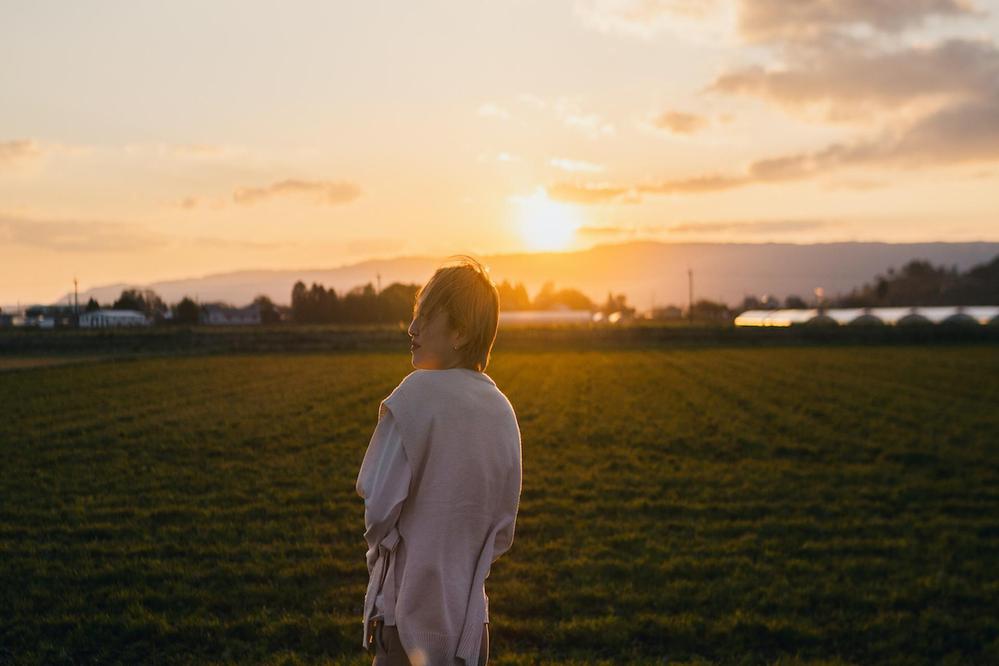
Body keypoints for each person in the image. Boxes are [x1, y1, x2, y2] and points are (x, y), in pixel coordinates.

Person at [356, 255, 523, 666]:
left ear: (460, 333)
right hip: (470, 629)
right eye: (415, 314)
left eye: (426, 316)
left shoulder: (415, 397)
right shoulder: (502, 410)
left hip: (406, 622)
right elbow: (502, 530)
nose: (411, 328)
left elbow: (377, 509)